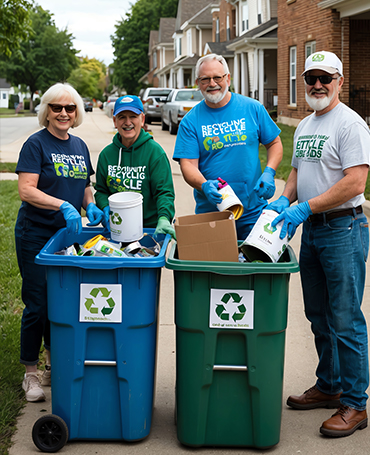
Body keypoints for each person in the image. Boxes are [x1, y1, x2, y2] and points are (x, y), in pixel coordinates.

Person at [269, 51, 370, 437]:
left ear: (339, 81)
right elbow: (296, 170)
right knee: (319, 316)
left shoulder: (350, 125)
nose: (316, 84)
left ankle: (356, 404)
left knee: (345, 319)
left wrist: (304, 207)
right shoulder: (309, 123)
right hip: (312, 231)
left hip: (343, 230)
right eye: (310, 77)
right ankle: (329, 386)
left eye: (325, 78)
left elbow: (355, 183)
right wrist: (285, 199)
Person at [15, 83, 104, 402]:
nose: (64, 113)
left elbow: (85, 185)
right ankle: (30, 373)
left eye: (70, 108)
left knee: (61, 302)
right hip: (36, 233)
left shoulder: (79, 145)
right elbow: (26, 189)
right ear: (46, 111)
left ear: (77, 112)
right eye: (57, 107)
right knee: (37, 303)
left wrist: (88, 203)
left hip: (67, 236)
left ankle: (53, 365)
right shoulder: (36, 144)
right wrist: (62, 205)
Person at [172, 53, 283, 240]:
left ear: (228, 78)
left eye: (217, 77)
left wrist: (270, 172)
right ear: (198, 83)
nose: (212, 83)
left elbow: (274, 143)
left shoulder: (252, 108)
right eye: (205, 79)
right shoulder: (191, 121)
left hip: (253, 212)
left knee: (254, 267)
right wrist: (204, 185)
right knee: (216, 268)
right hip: (212, 215)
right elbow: (188, 165)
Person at [94, 95, 176, 238]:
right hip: (116, 229)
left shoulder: (155, 153)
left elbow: (164, 192)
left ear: (142, 119)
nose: (127, 122)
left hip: (150, 231)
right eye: (121, 117)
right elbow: (101, 191)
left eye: (133, 116)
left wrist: (164, 218)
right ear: (115, 121)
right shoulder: (106, 155)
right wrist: (104, 206)